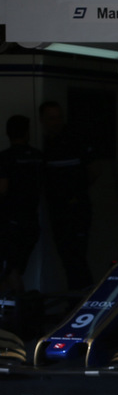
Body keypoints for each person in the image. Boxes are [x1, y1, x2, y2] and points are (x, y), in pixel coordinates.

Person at [39, 100, 96, 291]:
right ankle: (76, 301)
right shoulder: (46, 146)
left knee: (76, 257)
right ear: (43, 121)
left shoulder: (74, 140)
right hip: (58, 211)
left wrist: (76, 192)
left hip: (77, 209)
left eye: (59, 118)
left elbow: (94, 171)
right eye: (51, 118)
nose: (56, 122)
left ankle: (83, 303)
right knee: (67, 258)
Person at [0, 115, 43, 293]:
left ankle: (19, 313)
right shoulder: (38, 157)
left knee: (8, 270)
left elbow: (2, 189)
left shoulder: (5, 158)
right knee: (13, 269)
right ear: (27, 133)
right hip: (31, 222)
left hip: (10, 224)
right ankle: (15, 313)